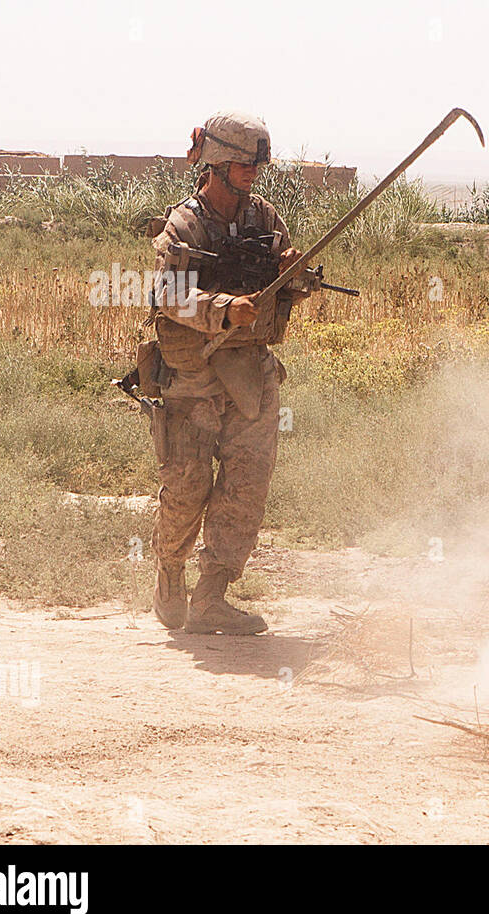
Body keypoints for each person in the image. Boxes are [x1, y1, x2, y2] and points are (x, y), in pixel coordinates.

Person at [147, 111, 312, 635]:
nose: (252, 171)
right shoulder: (184, 224)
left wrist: (297, 273)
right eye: (242, 163)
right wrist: (221, 308)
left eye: (256, 163)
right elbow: (167, 295)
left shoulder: (264, 219)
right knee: (187, 488)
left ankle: (211, 597)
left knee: (245, 489)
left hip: (251, 377)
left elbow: (294, 284)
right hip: (192, 377)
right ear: (216, 162)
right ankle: (170, 579)